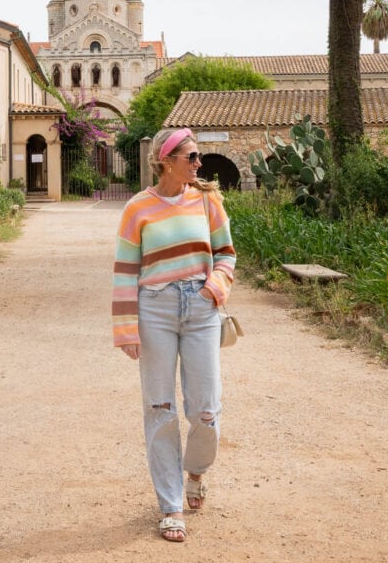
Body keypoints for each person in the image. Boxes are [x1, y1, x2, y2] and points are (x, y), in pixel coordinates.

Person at [112, 127, 236, 543]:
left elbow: (226, 253)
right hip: (155, 312)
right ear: (167, 160)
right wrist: (126, 327)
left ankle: (196, 470)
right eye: (192, 156)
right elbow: (126, 270)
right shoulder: (137, 208)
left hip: (201, 310)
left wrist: (213, 288)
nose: (200, 163)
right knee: (159, 409)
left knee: (206, 407)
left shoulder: (206, 200)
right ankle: (170, 506)